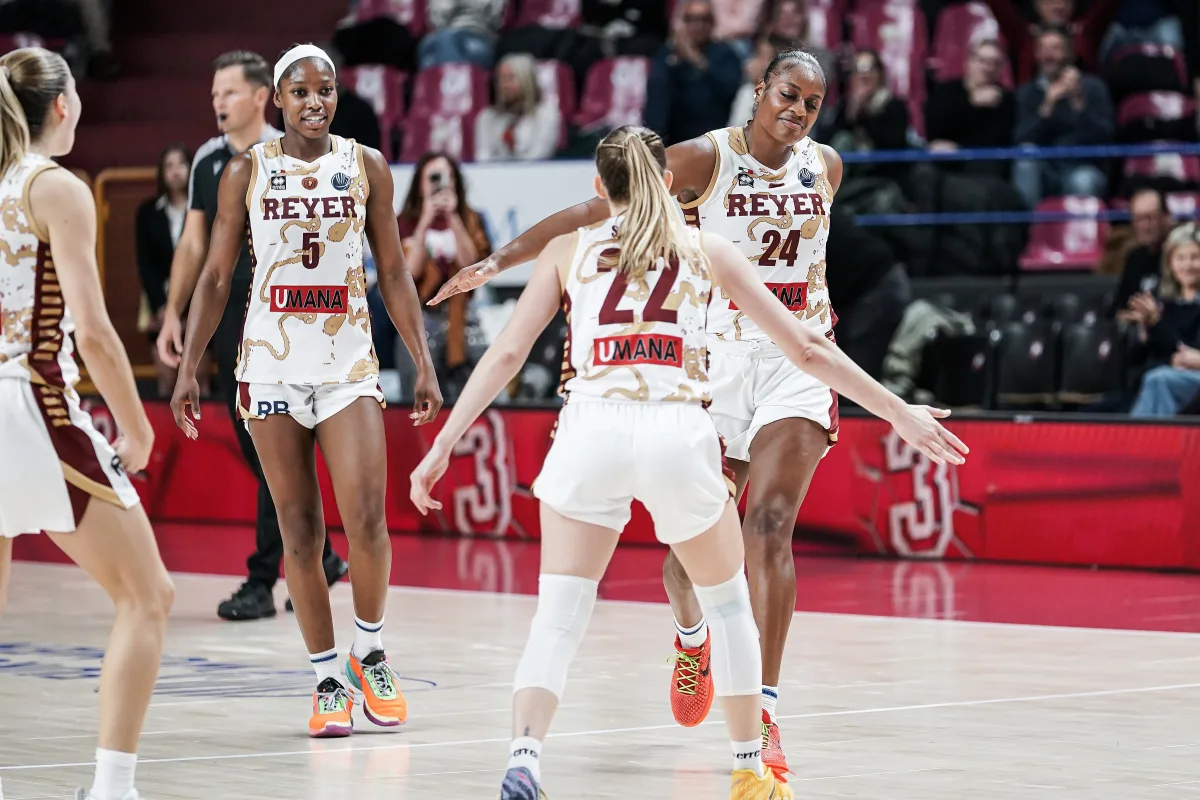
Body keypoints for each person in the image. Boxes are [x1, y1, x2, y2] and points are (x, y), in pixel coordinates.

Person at [410, 125, 966, 800]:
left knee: (557, 617)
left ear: (597, 189)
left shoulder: (568, 248)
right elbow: (810, 352)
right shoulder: (710, 249)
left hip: (589, 429)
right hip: (676, 431)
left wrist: (442, 443)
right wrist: (898, 411)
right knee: (731, 606)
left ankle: (524, 758)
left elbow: (504, 356)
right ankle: (747, 769)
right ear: (670, 183)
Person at [430, 49, 861, 780]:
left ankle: (765, 711)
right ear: (760, 91)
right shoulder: (704, 157)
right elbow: (598, 209)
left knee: (771, 523)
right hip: (714, 363)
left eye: (813, 104)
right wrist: (498, 260)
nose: (799, 111)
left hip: (793, 357)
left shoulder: (827, 166)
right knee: (687, 570)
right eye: (789, 94)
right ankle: (692, 636)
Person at [170, 44, 442, 738]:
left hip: (347, 362)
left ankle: (370, 651)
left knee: (369, 520)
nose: (315, 101)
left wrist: (421, 360)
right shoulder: (245, 171)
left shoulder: (367, 166)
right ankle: (327, 676)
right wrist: (189, 367)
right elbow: (215, 276)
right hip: (268, 364)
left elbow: (393, 270)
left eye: (325, 89)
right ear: (278, 100)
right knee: (299, 529)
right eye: (300, 91)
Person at [0, 46, 174, 800]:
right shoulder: (55, 187)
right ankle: (112, 787)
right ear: (64, 104)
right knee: (148, 596)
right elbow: (96, 332)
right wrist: (136, 429)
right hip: (30, 403)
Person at [155, 50, 347, 621]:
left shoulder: (294, 153)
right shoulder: (208, 161)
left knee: (272, 444)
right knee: (259, 449)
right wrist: (173, 312)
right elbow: (194, 245)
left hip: (286, 316)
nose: (218, 102)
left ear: (263, 96)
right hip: (229, 314)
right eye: (214, 93)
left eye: (229, 92)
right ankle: (323, 555)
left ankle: (263, 578)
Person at [381, 152, 490, 403]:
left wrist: (453, 218)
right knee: (418, 399)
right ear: (419, 183)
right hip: (419, 322)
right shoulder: (404, 223)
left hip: (462, 322)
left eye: (448, 177)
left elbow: (473, 266)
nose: (441, 184)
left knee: (474, 400)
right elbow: (407, 273)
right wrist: (425, 221)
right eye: (434, 177)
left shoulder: (471, 219)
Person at [1012, 27, 1114, 208]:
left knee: (1083, 181)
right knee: (1025, 161)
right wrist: (1047, 107)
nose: (1049, 55)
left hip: (1082, 167)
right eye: (1043, 49)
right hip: (1044, 170)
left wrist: (1078, 103)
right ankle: (1029, 234)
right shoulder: (1026, 93)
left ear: (1070, 53)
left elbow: (1105, 136)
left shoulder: (1093, 88)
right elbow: (1020, 138)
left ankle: (1080, 236)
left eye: (1055, 48)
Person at [136, 143, 205, 399]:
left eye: (181, 164)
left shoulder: (205, 210)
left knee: (201, 382)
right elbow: (145, 265)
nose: (175, 171)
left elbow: (208, 261)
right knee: (167, 383)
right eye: (169, 166)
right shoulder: (147, 213)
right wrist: (163, 309)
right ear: (161, 172)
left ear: (191, 168)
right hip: (161, 304)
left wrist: (192, 310)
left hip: (200, 303)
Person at [1127, 223, 1200, 416]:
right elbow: (1137, 359)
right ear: (1170, 263)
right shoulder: (1163, 304)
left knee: (1159, 380)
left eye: (1195, 257)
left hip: (1191, 376)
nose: (1187, 265)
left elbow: (1184, 349)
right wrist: (1144, 331)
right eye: (1181, 258)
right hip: (1168, 375)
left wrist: (1157, 324)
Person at [475, 53, 562, 162]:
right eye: (501, 79)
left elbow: (540, 156)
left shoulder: (547, 114)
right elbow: (483, 158)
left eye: (510, 79)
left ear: (527, 81)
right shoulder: (486, 117)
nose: (504, 85)